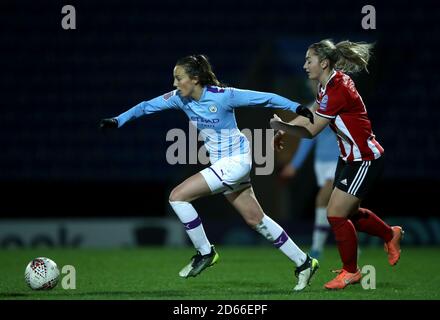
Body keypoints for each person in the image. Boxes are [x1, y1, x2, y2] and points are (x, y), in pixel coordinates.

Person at [99, 54, 319, 291]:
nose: (174, 83)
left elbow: (264, 99)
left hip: (236, 161)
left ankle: (205, 252)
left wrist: (296, 107)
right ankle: (304, 262)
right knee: (256, 219)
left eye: (178, 78)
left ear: (194, 79)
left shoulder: (223, 96)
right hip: (224, 163)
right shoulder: (178, 99)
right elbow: (145, 107)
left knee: (177, 196)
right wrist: (117, 120)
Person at [270, 40, 403, 290]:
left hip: (364, 158)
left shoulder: (336, 90)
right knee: (347, 213)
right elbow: (312, 112)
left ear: (324, 63)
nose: (304, 65)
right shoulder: (329, 84)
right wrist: (285, 131)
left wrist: (282, 127)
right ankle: (389, 234)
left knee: (335, 214)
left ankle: (350, 271)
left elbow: (312, 131)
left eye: (309, 60)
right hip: (349, 157)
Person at [280, 125, 339, 259]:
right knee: (335, 206)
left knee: (322, 199)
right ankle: (353, 246)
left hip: (340, 159)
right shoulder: (313, 107)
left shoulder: (342, 105)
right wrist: (295, 165)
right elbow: (308, 138)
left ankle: (316, 249)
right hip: (320, 163)